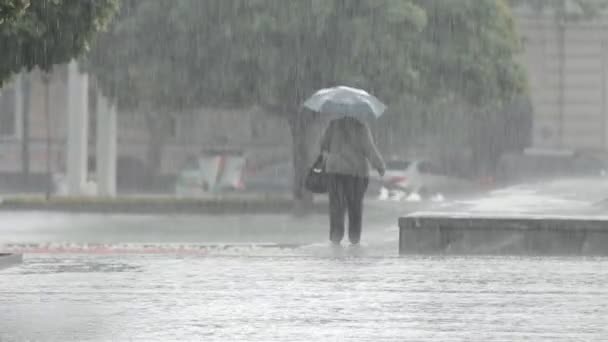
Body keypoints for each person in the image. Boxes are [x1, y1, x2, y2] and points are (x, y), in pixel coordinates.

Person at [320, 116, 385, 245]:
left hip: (335, 171)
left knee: (336, 206)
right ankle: (354, 239)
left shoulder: (333, 124)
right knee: (355, 206)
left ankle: (335, 237)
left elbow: (323, 145)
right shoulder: (361, 127)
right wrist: (379, 166)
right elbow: (369, 149)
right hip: (356, 173)